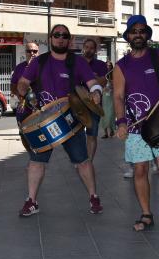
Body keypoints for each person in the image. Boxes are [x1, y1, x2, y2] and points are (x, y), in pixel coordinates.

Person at [16, 24, 103, 216]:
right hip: (43, 121)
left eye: (64, 35)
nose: (60, 38)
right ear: (50, 38)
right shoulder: (39, 62)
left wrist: (96, 93)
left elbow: (93, 83)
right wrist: (24, 91)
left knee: (83, 162)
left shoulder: (78, 62)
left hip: (71, 119)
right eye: (57, 35)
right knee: (36, 162)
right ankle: (31, 201)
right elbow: (23, 82)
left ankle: (93, 197)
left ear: (69, 40)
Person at [113, 15, 159, 235]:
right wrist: (121, 122)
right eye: (134, 31)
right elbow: (117, 96)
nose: (138, 34)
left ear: (147, 35)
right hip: (136, 127)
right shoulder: (121, 65)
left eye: (142, 31)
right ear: (128, 36)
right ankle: (146, 214)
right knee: (140, 170)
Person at [81, 38, 108, 161]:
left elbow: (103, 82)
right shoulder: (77, 63)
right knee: (77, 135)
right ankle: (80, 158)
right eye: (86, 47)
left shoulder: (101, 65)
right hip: (78, 104)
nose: (89, 50)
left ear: (95, 50)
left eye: (91, 48)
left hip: (94, 105)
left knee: (92, 135)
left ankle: (89, 161)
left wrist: (91, 78)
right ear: (83, 48)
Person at [100, 61, 115, 139]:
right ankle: (105, 133)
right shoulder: (103, 75)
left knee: (111, 114)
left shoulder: (114, 75)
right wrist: (103, 88)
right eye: (107, 65)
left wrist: (112, 86)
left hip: (111, 97)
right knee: (104, 115)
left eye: (109, 65)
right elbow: (99, 85)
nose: (108, 67)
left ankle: (112, 130)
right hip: (105, 97)